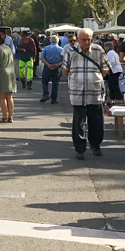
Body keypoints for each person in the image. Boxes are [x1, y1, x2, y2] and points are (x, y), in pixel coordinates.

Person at [63, 27, 109, 160]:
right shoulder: (71, 51)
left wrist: (95, 79)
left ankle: (96, 146)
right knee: (79, 123)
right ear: (77, 39)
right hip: (78, 92)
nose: (87, 42)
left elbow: (105, 68)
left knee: (96, 122)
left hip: (95, 92)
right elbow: (65, 70)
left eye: (89, 40)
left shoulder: (98, 50)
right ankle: (80, 149)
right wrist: (75, 80)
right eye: (84, 40)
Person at [39, 35, 64, 103]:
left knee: (45, 81)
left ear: (50, 41)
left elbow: (42, 58)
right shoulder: (61, 49)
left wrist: (48, 64)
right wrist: (57, 65)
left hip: (48, 66)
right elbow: (63, 60)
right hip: (57, 67)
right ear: (58, 41)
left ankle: (46, 94)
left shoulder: (46, 48)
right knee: (55, 83)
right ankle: (54, 99)